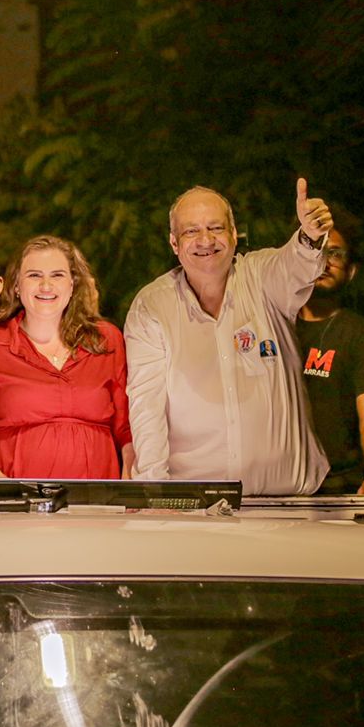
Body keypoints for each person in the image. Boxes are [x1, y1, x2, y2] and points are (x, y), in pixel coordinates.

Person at [125, 178, 332, 495]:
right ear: (174, 244)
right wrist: (154, 492)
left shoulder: (263, 277)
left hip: (289, 506)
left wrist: (309, 237)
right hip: (196, 508)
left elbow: (295, 266)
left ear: (235, 235)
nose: (205, 240)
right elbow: (146, 407)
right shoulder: (152, 307)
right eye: (191, 231)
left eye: (216, 228)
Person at [0, 235, 132, 479]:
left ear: (72, 285)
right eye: (34, 275)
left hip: (95, 505)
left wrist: (127, 488)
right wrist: (5, 489)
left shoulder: (107, 340)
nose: (45, 285)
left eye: (57, 275)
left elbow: (128, 428)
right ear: (17, 286)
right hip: (17, 506)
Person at [295, 215, 364, 512]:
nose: (325, 262)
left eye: (336, 254)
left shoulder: (362, 335)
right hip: (277, 488)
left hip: (337, 489)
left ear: (351, 272)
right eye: (317, 252)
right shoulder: (274, 327)